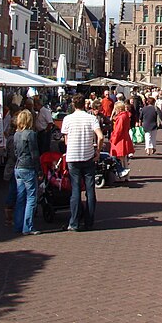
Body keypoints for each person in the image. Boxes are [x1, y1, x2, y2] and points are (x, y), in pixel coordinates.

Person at [61, 93, 103, 231]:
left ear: (73, 104)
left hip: (73, 157)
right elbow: (101, 136)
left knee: (75, 190)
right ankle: (89, 221)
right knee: (90, 190)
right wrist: (98, 151)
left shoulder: (67, 119)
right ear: (85, 105)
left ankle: (74, 222)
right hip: (88, 156)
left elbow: (66, 140)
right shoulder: (91, 118)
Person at [13, 109, 41, 235]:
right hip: (28, 166)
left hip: (18, 167)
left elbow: (14, 152)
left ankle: (18, 224)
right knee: (31, 197)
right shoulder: (31, 134)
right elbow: (34, 154)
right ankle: (28, 226)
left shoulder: (16, 134)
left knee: (20, 197)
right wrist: (39, 170)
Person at [110, 101, 134, 175]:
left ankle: (122, 174)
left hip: (120, 140)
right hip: (124, 137)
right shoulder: (126, 115)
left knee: (120, 158)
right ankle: (126, 176)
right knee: (124, 159)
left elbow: (118, 130)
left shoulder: (121, 117)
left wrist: (113, 139)